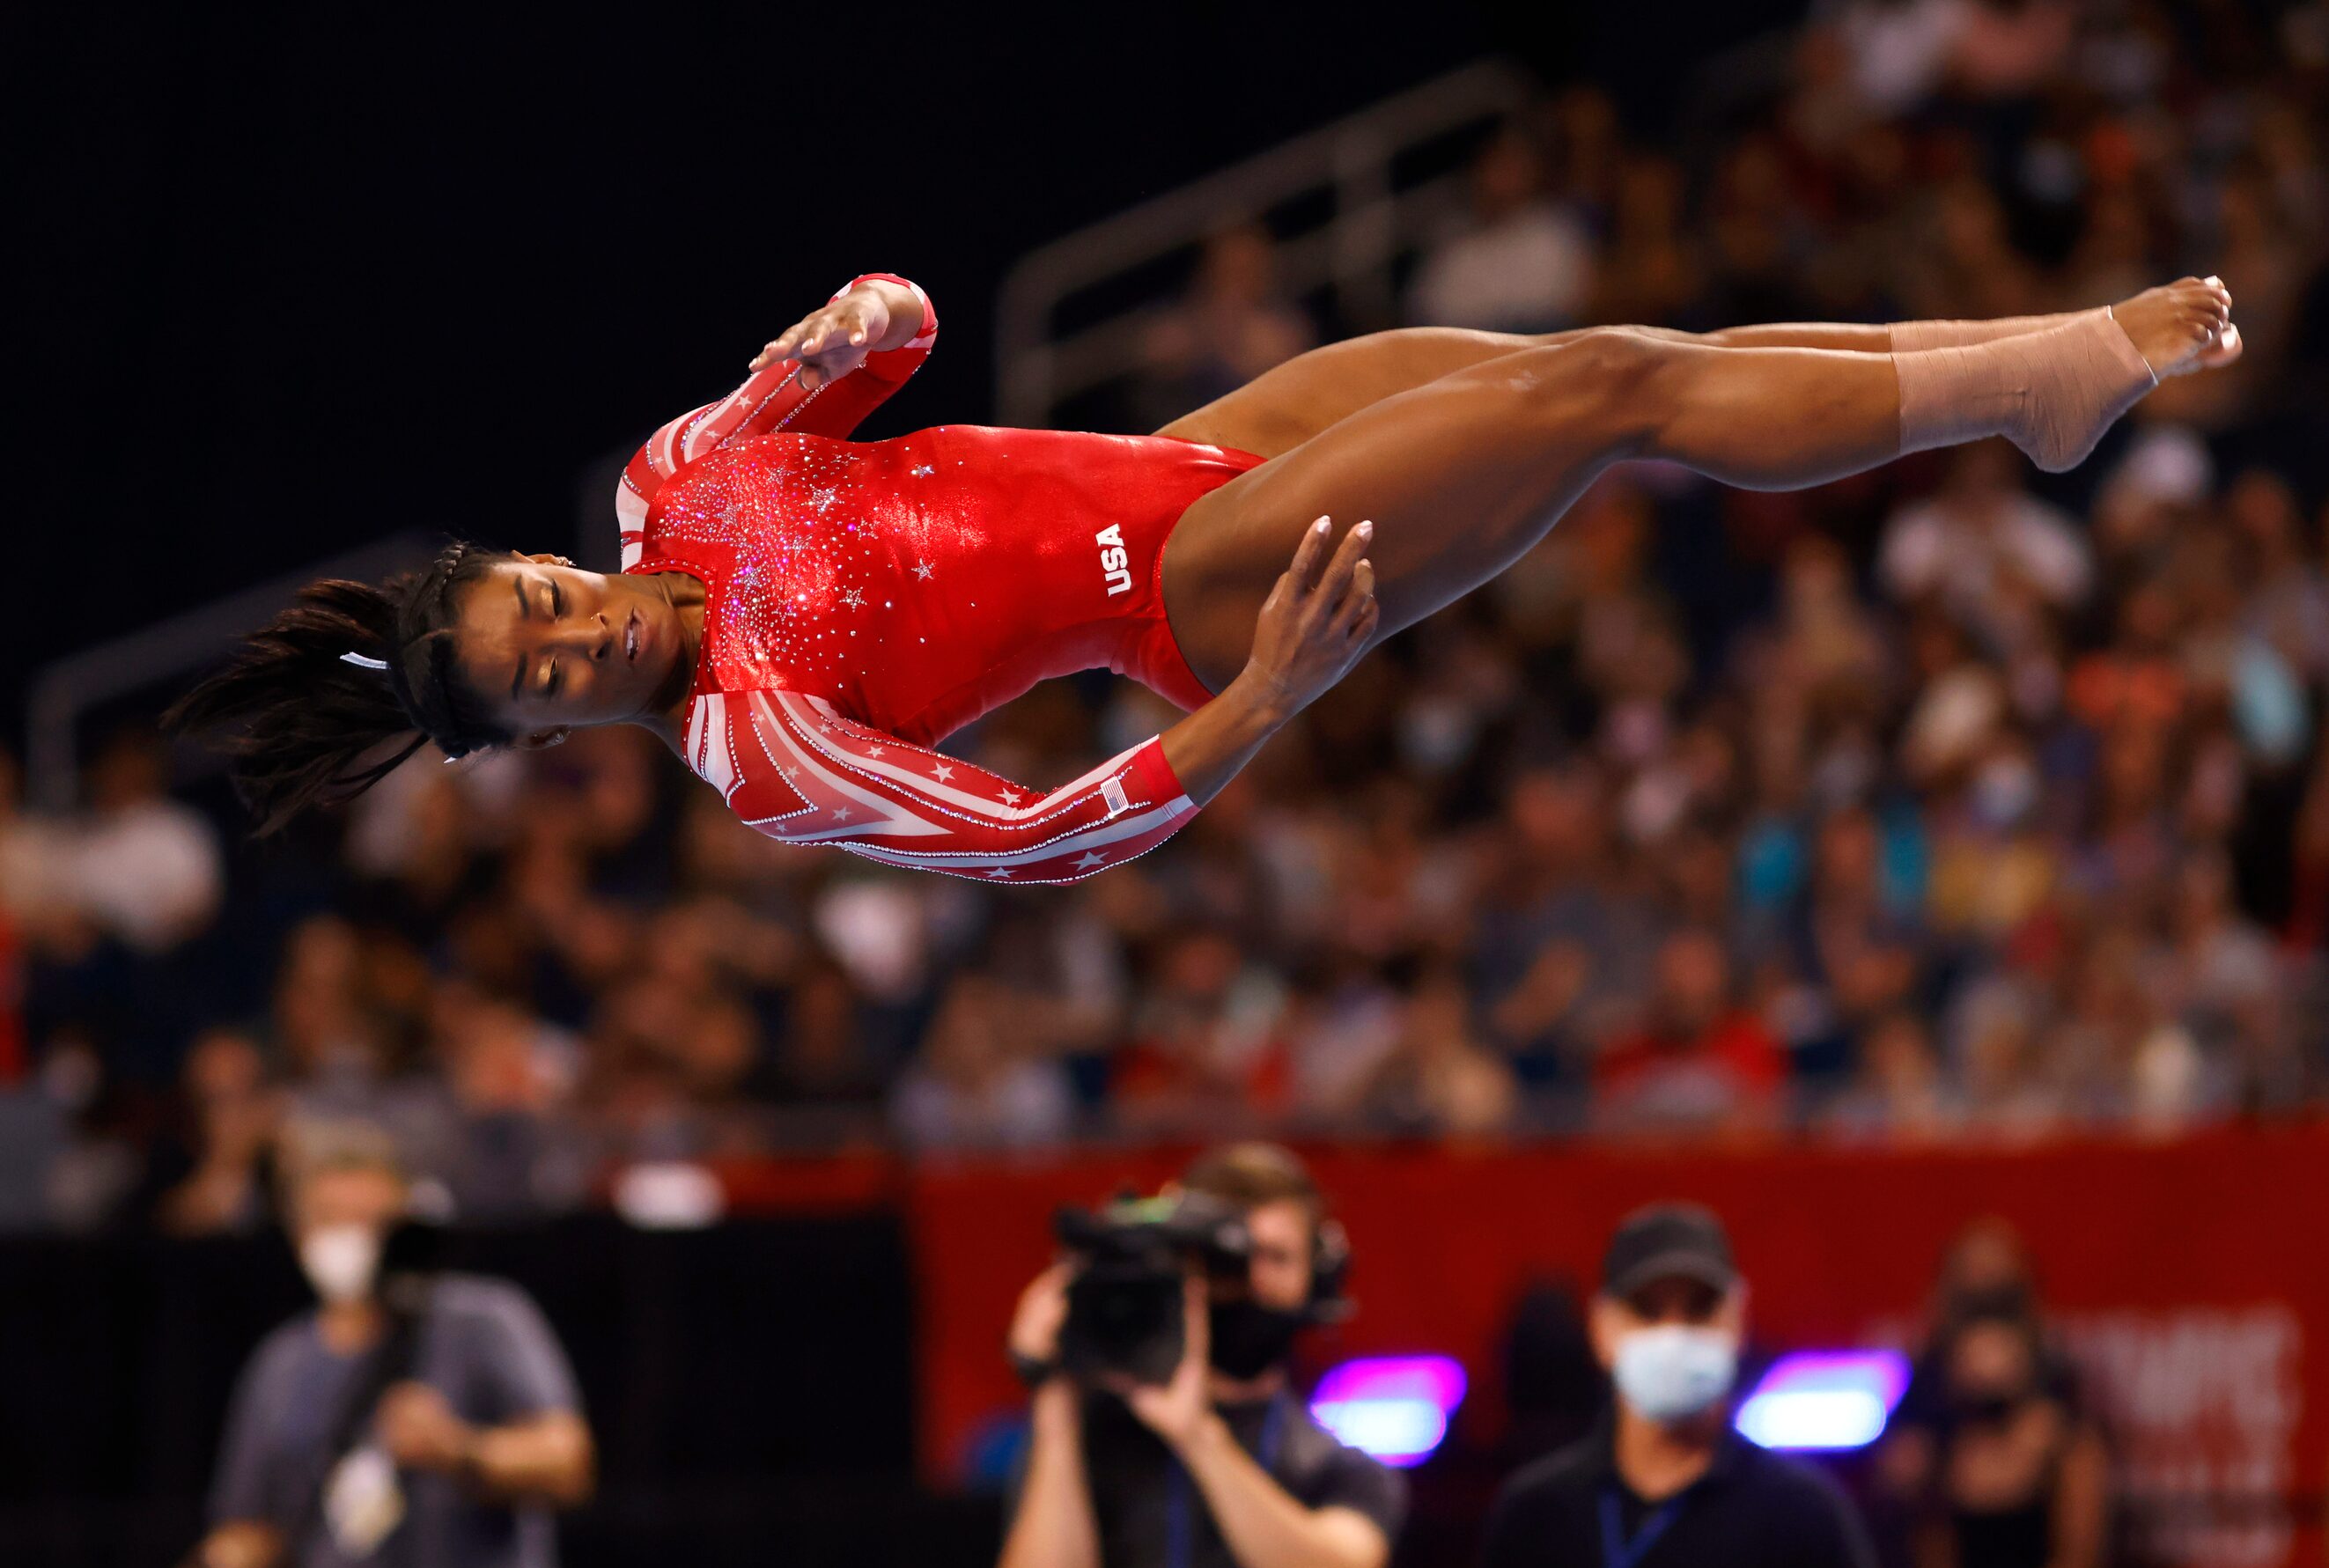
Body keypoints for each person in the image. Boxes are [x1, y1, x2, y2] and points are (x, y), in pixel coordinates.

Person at [169, 271, 2240, 884]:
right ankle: (2026, 384)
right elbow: (1031, 831)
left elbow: (894, 340)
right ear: (548, 737)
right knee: (1609, 387)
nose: (573, 633)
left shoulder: (675, 472)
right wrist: (1250, 716)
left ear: (543, 556)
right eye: (542, 677)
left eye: (536, 599)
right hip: (1200, 594)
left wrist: (838, 334)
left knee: (1622, 366)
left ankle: (2027, 402)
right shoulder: (759, 746)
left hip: (1194, 459)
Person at [171, 1125, 593, 1568]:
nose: (353, 1236)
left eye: (372, 1221)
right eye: (333, 1218)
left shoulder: (482, 1321)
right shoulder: (280, 1363)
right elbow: (254, 1524)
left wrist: (463, 1450)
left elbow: (567, 1458)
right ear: (301, 1230)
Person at [993, 1141, 1405, 1568]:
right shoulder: (1084, 1440)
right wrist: (1054, 1400)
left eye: (1276, 1257)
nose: (1250, 1281)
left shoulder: (1335, 1463)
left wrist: (1196, 1435)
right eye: (1228, 1261)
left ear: (1317, 1277)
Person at [1467, 1203, 1884, 1568]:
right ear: (1601, 1327)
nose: (1674, 1334)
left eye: (1698, 1310)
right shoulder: (1533, 1517)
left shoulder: (1805, 1517)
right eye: (1647, 1311)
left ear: (1737, 1318)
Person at [1909, 1311, 2111, 1568]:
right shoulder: (1944, 1450)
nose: (1986, 1368)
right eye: (1974, 1358)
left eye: (1999, 1353)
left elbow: (2079, 1566)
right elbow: (1932, 1563)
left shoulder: (2067, 1443)